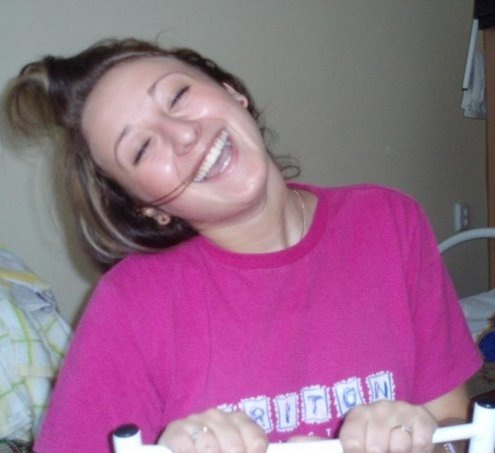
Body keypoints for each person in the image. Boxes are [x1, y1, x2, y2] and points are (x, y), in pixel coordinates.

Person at [4, 38, 482, 453]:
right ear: (146, 206)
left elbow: (457, 428)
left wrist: (424, 438)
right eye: (143, 149)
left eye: (178, 96)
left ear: (231, 90)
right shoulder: (129, 305)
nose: (184, 134)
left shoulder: (389, 222)